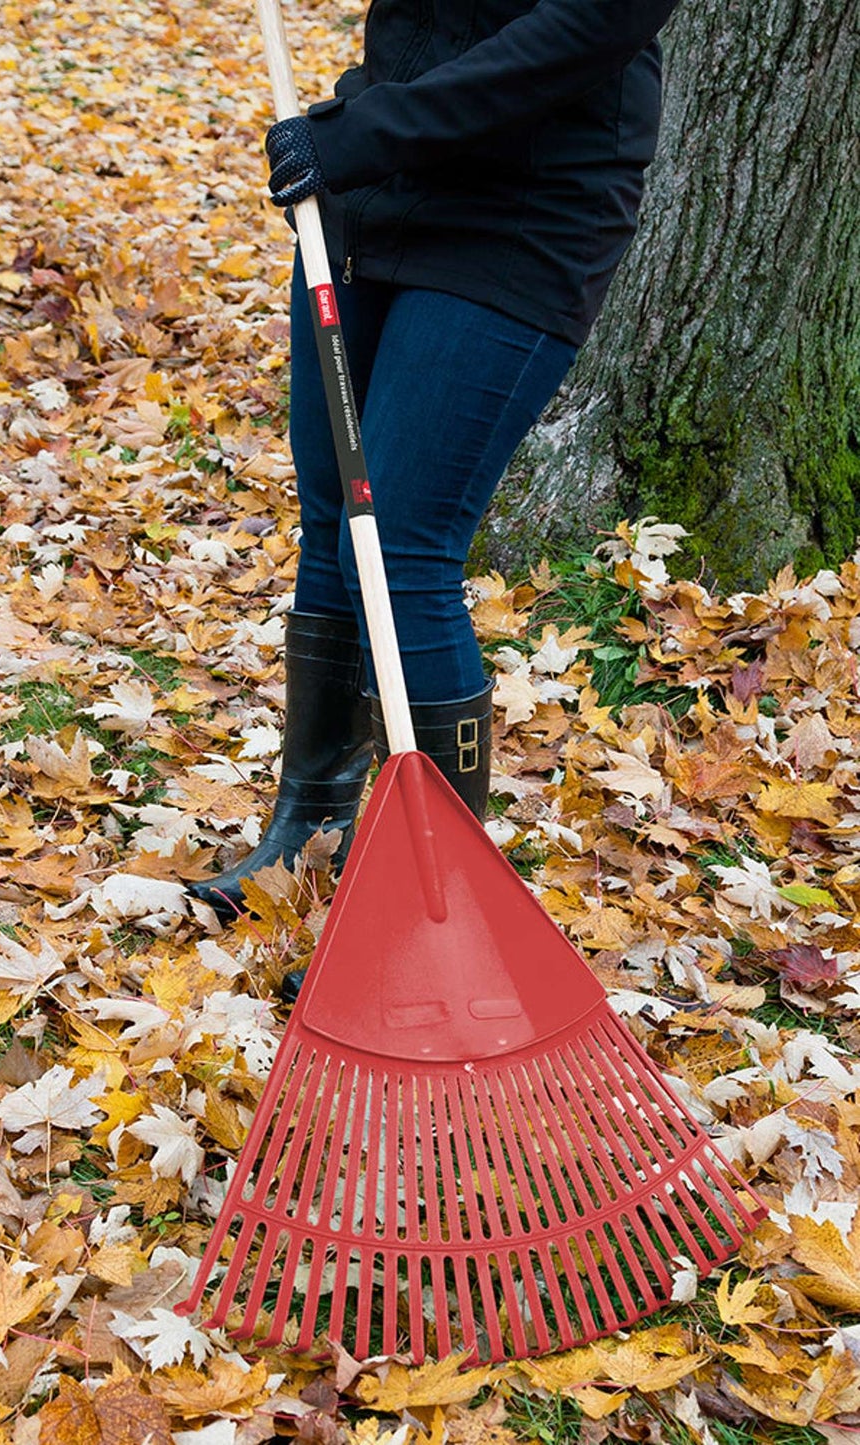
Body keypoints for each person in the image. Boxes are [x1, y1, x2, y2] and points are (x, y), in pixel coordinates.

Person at [188, 0, 681, 960]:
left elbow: (585, 28)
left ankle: (433, 914)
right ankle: (310, 832)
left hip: (524, 208)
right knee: (336, 516)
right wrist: (359, 144)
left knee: (402, 538)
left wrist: (359, 137)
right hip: (371, 184)